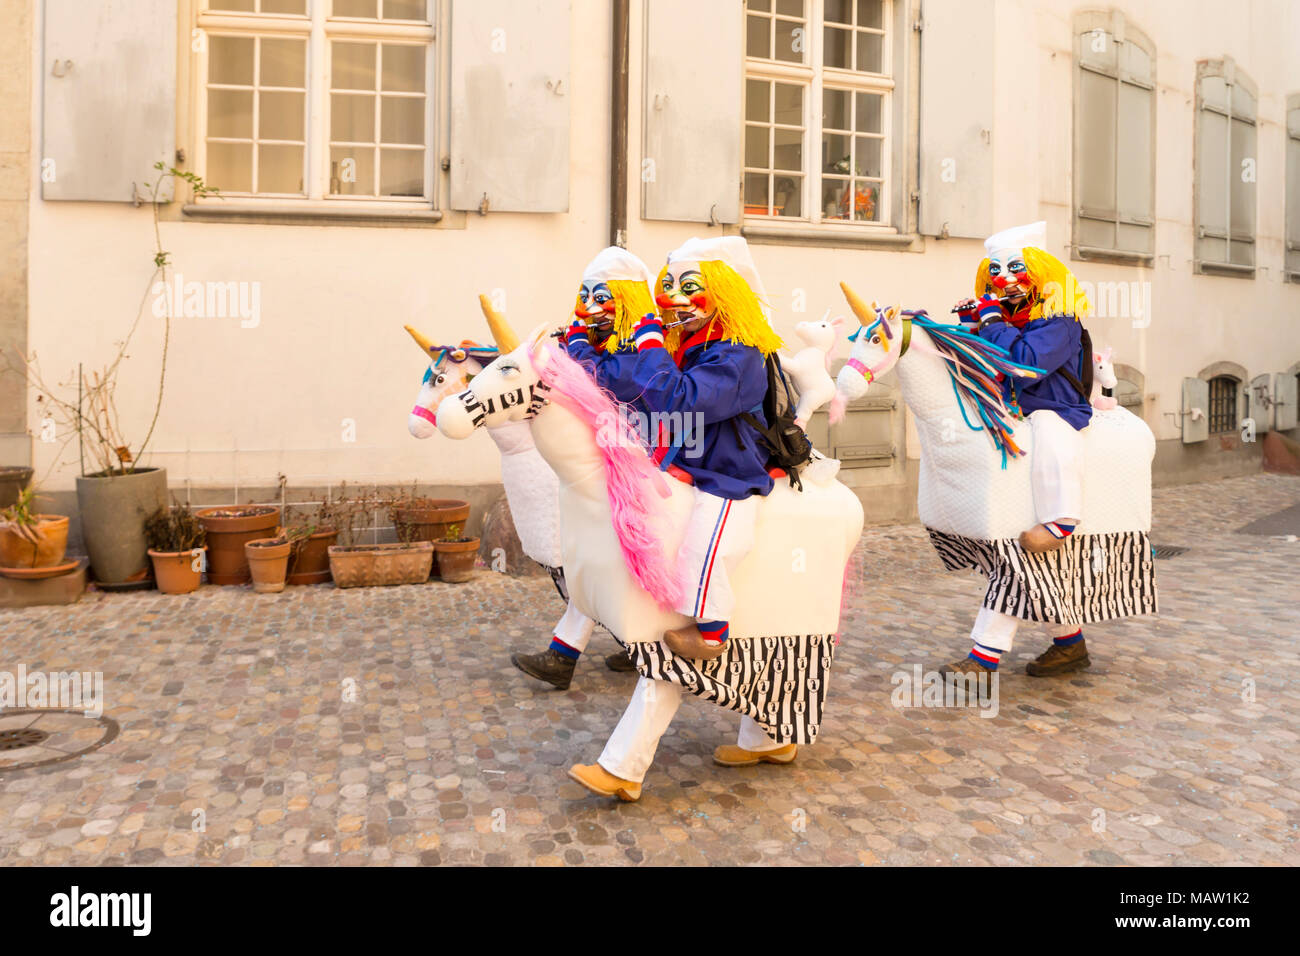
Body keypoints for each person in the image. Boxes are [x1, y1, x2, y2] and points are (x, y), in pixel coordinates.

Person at [565, 236, 807, 800]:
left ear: (723, 294)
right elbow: (632, 384)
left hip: (728, 479)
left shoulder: (740, 355)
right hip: (686, 471)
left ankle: (712, 629)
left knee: (706, 547)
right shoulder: (689, 346)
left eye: (686, 288)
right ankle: (767, 735)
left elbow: (677, 399)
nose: (672, 299)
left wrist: (647, 338)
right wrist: (587, 350)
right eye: (667, 287)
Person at [947, 220, 1097, 678]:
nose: (1004, 279)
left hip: (1055, 410)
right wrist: (972, 325)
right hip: (1012, 415)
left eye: (1015, 269)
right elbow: (987, 360)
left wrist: (991, 321)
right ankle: (1069, 642)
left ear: (1039, 272)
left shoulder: (1060, 319)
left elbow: (1025, 364)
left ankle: (1061, 517)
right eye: (996, 271)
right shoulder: (1013, 319)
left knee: (1050, 426)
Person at [509, 246, 659, 690]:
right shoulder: (599, 337)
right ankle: (620, 649)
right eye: (586, 296)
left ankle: (569, 655)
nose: (592, 308)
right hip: (611, 462)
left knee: (612, 557)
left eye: (604, 297)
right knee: (608, 558)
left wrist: (574, 346)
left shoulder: (642, 341)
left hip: (653, 465)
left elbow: (614, 378)